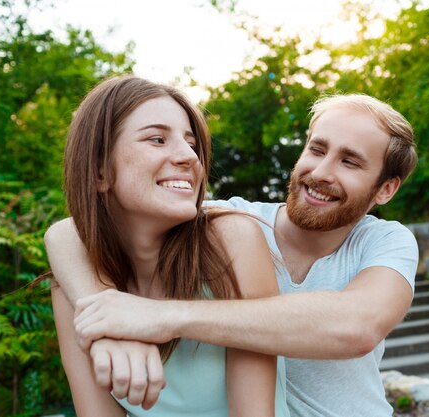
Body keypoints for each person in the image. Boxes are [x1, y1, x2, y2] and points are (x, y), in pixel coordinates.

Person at [46, 93, 419, 417]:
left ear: (385, 189)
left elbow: (357, 326)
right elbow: (68, 232)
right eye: (316, 150)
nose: (321, 172)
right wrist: (106, 320)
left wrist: (159, 317)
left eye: (349, 162)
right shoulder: (235, 223)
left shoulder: (385, 242)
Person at [49, 75, 290, 417]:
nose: (189, 157)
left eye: (191, 143)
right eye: (158, 139)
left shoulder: (232, 239)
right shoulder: (74, 285)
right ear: (100, 171)